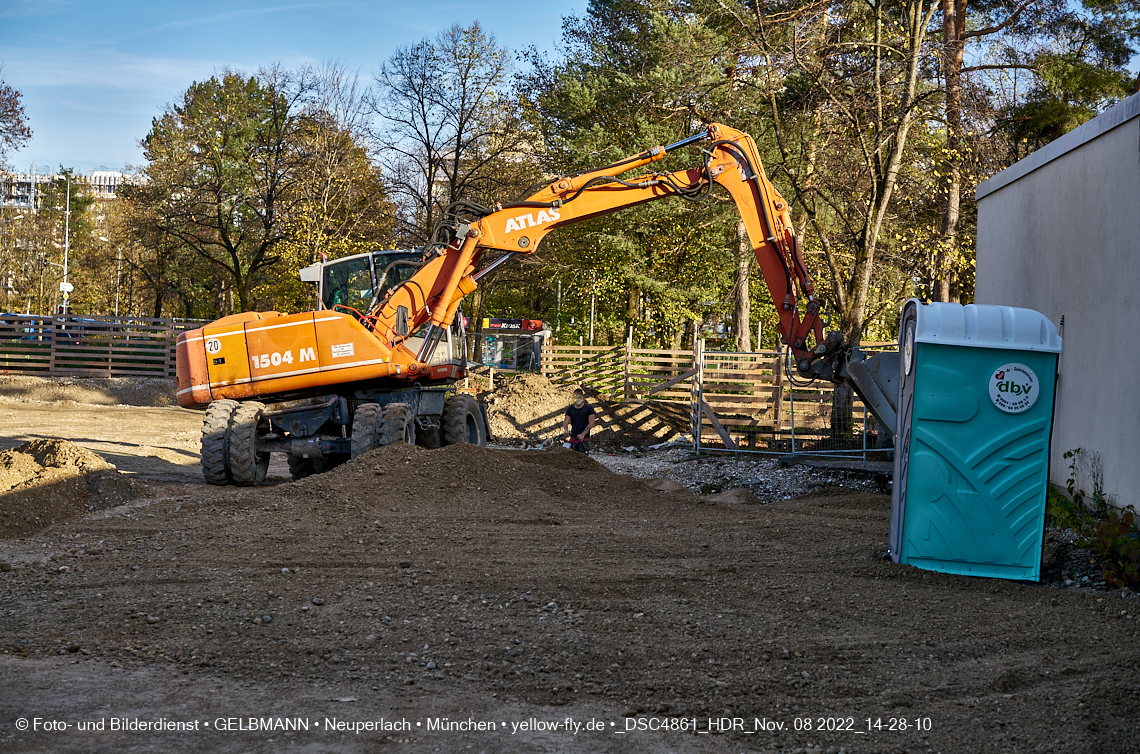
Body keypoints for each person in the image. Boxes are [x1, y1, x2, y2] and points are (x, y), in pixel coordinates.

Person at [562, 388, 596, 454]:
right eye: (576, 397)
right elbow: (566, 420)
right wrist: (566, 430)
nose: (578, 398)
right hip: (573, 437)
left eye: (579, 397)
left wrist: (583, 434)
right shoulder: (570, 409)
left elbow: (591, 423)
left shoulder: (589, 408)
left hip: (584, 439)